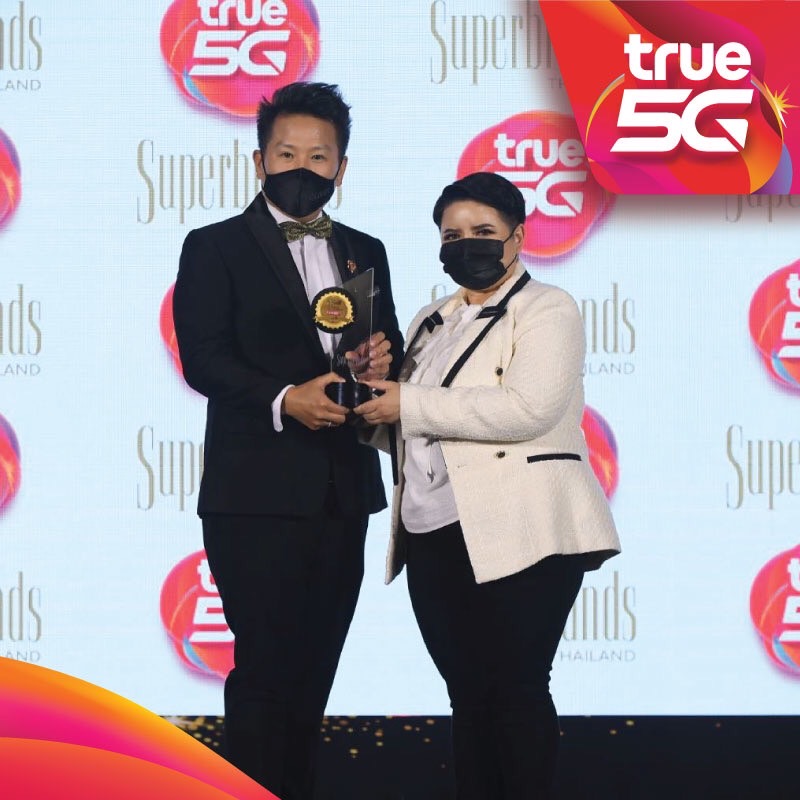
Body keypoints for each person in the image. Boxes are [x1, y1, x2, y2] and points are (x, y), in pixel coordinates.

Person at [354, 172, 620, 799]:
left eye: (482, 231)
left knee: (516, 690)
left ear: (517, 238)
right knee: (468, 696)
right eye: (451, 236)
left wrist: (405, 403)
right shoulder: (429, 320)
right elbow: (412, 427)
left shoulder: (548, 308)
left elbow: (527, 409)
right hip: (433, 530)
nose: (465, 245)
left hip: (522, 529)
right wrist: (362, 399)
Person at [172, 82, 403, 800]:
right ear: (259, 161)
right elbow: (203, 359)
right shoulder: (214, 246)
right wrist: (285, 399)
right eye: (287, 154)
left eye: (319, 156)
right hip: (255, 496)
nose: (303, 167)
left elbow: (386, 347)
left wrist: (379, 362)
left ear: (342, 167)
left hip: (343, 494)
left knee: (313, 679)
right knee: (266, 677)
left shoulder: (365, 251)